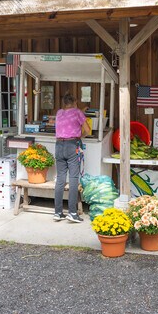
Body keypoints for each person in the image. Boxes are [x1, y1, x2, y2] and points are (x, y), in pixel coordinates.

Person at [53, 93, 91, 223]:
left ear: (64, 103)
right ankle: (72, 213)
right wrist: (81, 136)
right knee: (74, 178)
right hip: (71, 145)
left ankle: (58, 213)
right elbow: (88, 130)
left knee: (60, 179)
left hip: (58, 146)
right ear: (75, 102)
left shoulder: (59, 113)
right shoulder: (77, 112)